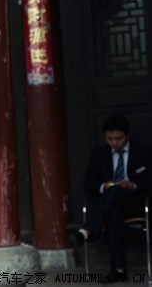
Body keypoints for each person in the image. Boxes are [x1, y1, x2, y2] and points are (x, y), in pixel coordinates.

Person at [73, 114, 152, 283]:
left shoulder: (143, 153)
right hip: (109, 204)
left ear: (127, 135)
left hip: (135, 201)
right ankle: (118, 270)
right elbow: (88, 183)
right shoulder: (99, 155)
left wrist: (133, 184)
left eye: (118, 139)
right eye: (110, 139)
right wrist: (104, 186)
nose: (114, 143)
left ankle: (89, 229)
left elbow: (149, 180)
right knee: (114, 210)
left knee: (116, 192)